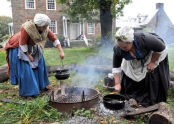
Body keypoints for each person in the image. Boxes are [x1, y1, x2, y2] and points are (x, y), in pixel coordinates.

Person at [5, 13, 64, 100]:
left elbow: (54, 39)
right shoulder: (27, 28)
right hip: (19, 46)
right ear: (38, 26)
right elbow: (22, 43)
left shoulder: (45, 28)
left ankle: (41, 86)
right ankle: (28, 93)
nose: (46, 28)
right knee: (26, 69)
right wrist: (28, 55)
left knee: (40, 63)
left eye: (47, 25)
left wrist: (61, 51)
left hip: (32, 45)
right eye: (45, 26)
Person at [112, 26, 169, 107]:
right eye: (120, 46)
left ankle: (150, 98)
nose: (122, 49)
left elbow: (161, 49)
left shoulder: (145, 39)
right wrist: (117, 83)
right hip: (134, 58)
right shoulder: (118, 49)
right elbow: (116, 67)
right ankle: (134, 97)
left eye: (124, 47)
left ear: (130, 42)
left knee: (150, 72)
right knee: (130, 72)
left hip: (153, 53)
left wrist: (152, 62)